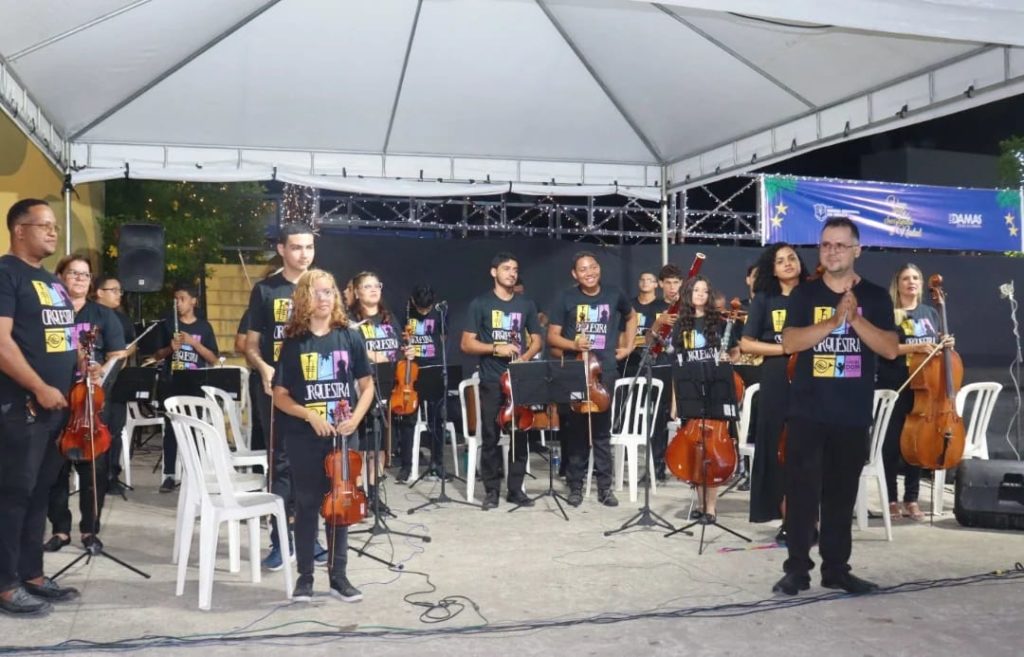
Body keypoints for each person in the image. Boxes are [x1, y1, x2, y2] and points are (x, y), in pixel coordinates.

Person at [776, 216, 898, 596]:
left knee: (841, 497)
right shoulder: (804, 294)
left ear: (856, 250)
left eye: (840, 245)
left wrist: (854, 320)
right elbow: (790, 342)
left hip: (851, 414)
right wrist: (833, 321)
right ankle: (797, 570)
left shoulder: (875, 297)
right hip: (807, 412)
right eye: (826, 245)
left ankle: (836, 570)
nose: (832, 252)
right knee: (801, 496)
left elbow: (890, 349)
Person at [0, 199, 81, 616]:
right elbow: (1, 342)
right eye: (44, 225)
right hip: (22, 406)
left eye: (55, 225)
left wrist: (82, 365)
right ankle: (5, 584)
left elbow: (63, 336)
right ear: (19, 229)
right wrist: (38, 386)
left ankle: (31, 573)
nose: (53, 232)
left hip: (58, 408)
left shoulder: (52, 282)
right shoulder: (6, 274)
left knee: (39, 492)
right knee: (13, 494)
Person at [273, 269, 373, 603]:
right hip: (304, 438)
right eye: (316, 292)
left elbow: (367, 386)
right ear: (304, 298)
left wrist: (355, 419)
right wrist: (309, 415)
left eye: (329, 291)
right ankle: (305, 577)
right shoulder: (294, 343)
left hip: (343, 438)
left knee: (340, 506)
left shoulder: (350, 337)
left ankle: (338, 577)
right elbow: (280, 396)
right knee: (306, 505)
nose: (324, 298)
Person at [244, 223, 322, 570]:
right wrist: (263, 368)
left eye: (309, 247)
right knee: (281, 465)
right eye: (296, 247)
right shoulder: (266, 290)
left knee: (314, 465)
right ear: (281, 250)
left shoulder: (321, 287)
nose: (304, 254)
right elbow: (250, 345)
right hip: (275, 388)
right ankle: (280, 540)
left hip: (313, 387)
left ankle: (311, 539)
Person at [43, 255, 126, 554]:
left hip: (91, 404)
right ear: (60, 276)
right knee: (55, 471)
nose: (80, 279)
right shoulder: (50, 313)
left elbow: (118, 354)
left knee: (94, 473)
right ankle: (60, 530)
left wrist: (100, 372)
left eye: (85, 274)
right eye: (73, 273)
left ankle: (90, 530)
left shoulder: (103, 315)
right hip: (56, 400)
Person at [547, 251, 636, 508]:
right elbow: (552, 336)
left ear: (599, 268)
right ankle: (575, 486)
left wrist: (629, 346)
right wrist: (573, 344)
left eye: (593, 267)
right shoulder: (565, 297)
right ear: (575, 274)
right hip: (575, 370)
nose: (590, 272)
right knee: (576, 430)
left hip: (604, 371)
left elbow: (632, 316)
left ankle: (604, 488)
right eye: (583, 269)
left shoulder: (614, 293)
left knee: (601, 431)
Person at [461, 253, 543, 509]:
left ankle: (516, 489)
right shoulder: (480, 303)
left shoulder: (526, 304)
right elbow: (467, 343)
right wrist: (496, 348)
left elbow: (537, 339)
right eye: (506, 268)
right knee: (490, 435)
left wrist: (525, 358)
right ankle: (492, 491)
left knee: (521, 433)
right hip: (491, 379)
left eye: (515, 269)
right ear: (493, 272)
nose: (512, 273)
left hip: (519, 378)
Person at [740, 243, 807, 538]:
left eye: (792, 257)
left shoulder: (814, 295)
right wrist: (785, 348)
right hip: (777, 376)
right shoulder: (764, 299)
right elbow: (747, 343)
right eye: (780, 261)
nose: (788, 263)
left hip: (811, 377)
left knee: (808, 449)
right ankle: (787, 518)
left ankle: (810, 516)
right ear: (773, 269)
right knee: (778, 449)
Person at [877, 263, 949, 522]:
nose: (912, 282)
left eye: (916, 278)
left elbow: (936, 346)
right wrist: (914, 348)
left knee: (917, 444)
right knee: (890, 445)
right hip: (895, 384)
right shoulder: (888, 313)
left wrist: (945, 344)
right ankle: (890, 499)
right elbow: (883, 347)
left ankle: (912, 498)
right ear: (897, 284)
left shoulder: (929, 312)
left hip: (923, 387)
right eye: (906, 278)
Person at [671, 275, 739, 522]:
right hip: (691, 391)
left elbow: (735, 351)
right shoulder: (681, 325)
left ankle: (711, 508)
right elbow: (677, 366)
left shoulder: (720, 323)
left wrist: (729, 358)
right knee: (695, 451)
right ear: (688, 295)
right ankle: (699, 505)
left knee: (711, 451)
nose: (700, 294)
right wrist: (675, 401)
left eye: (704, 291)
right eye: (695, 290)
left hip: (715, 390)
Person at [154, 282, 220, 492]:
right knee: (171, 430)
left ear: (193, 301)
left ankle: (195, 473)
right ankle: (169, 475)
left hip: (196, 384)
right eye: (175, 299)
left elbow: (214, 359)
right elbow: (156, 355)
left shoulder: (204, 327)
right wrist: (169, 349)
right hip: (173, 382)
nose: (178, 303)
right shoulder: (167, 325)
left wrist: (194, 343)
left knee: (195, 428)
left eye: (182, 299)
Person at [348, 271, 401, 509]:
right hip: (361, 386)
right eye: (367, 286)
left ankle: (374, 493)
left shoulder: (388, 318)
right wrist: (371, 355)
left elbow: (398, 347)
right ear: (357, 292)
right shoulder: (350, 321)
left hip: (387, 384)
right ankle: (359, 490)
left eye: (376, 285)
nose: (373, 290)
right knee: (363, 443)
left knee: (380, 443)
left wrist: (405, 353)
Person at [398, 284, 447, 482]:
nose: (424, 313)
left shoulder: (440, 313)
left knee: (437, 419)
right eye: (420, 309)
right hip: (411, 370)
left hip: (433, 367)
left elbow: (444, 337)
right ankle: (406, 465)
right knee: (409, 419)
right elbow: (398, 341)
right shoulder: (404, 313)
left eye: (427, 309)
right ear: (412, 301)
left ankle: (438, 462)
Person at [93, 275, 136, 493]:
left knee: (115, 430)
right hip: (95, 382)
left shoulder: (123, 319)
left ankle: (112, 475)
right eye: (114, 290)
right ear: (99, 292)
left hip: (117, 381)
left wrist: (127, 351)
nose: (119, 294)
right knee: (96, 429)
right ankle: (95, 476)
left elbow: (132, 344)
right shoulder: (90, 314)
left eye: (120, 291)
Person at [621, 271, 666, 376]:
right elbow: (622, 331)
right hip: (631, 359)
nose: (645, 282)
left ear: (656, 284)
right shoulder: (628, 305)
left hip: (657, 358)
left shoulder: (663, 306)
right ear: (638, 283)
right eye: (642, 280)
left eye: (649, 280)